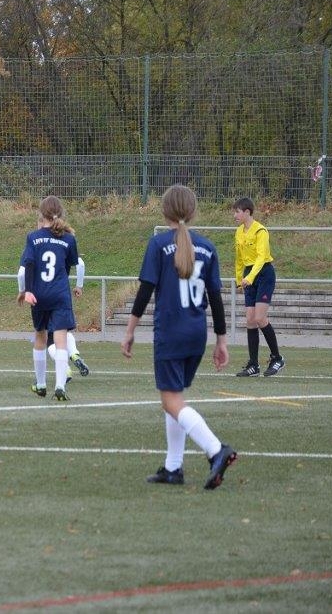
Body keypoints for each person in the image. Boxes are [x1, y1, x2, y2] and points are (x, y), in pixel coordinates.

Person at [121, 184, 237, 490]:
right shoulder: (207, 247)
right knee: (174, 397)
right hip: (196, 334)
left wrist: (130, 331)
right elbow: (215, 298)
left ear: (165, 211)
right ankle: (173, 468)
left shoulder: (159, 244)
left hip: (171, 333)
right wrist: (222, 340)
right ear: (193, 211)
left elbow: (145, 291)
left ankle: (216, 449)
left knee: (171, 400)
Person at [19, 195, 79, 401]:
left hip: (38, 294)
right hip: (60, 294)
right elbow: (69, 266)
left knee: (40, 337)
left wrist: (28, 291)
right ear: (60, 214)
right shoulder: (69, 239)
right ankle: (60, 386)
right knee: (60, 340)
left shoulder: (33, 237)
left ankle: (41, 384)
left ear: (41, 214)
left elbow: (28, 264)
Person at [233, 196, 285, 377]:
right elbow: (239, 259)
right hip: (249, 274)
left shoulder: (260, 231)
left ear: (247, 212)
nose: (235, 215)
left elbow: (262, 257)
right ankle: (253, 365)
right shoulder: (239, 232)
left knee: (260, 318)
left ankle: (277, 358)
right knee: (250, 319)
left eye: (237, 212)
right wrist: (239, 279)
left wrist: (251, 277)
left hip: (264, 274)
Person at [17, 257, 91, 378]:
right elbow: (81, 264)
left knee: (48, 338)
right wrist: (79, 285)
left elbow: (21, 273)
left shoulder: (33, 247)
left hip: (40, 295)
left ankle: (64, 369)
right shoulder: (62, 246)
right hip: (60, 294)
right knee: (62, 331)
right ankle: (74, 354)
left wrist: (22, 291)